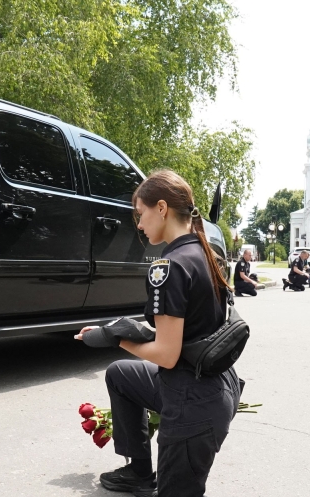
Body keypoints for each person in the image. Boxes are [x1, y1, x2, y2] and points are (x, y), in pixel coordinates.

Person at [75, 170, 243, 497]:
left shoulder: (168, 267)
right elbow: (185, 325)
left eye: (141, 214)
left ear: (162, 208)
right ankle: (139, 473)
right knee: (121, 373)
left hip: (193, 406)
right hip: (213, 385)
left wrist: (115, 338)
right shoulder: (206, 252)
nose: (138, 224)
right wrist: (115, 328)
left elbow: (167, 354)